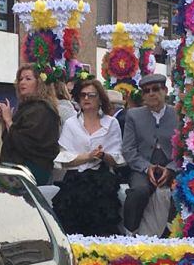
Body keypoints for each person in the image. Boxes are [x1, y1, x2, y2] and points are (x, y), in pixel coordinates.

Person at [52, 80, 124, 235]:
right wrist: (89, 156)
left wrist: (102, 155)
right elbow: (64, 160)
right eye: (83, 95)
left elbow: (117, 159)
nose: (86, 98)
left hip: (102, 180)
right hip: (75, 179)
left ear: (100, 99)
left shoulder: (112, 123)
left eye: (91, 95)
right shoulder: (71, 124)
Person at [121, 73, 178, 233]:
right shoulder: (133, 115)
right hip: (142, 168)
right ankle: (130, 233)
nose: (151, 93)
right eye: (146, 91)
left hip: (172, 166)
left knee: (183, 189)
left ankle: (172, 231)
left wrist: (171, 169)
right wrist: (147, 168)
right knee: (138, 192)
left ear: (165, 91)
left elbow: (185, 149)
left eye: (156, 89)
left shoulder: (178, 114)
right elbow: (128, 149)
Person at [0, 65, 61, 185]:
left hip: (31, 171)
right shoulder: (27, 107)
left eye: (28, 79)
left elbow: (26, 143)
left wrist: (9, 120)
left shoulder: (41, 109)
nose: (22, 82)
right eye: (20, 79)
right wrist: (5, 120)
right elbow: (10, 139)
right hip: (18, 170)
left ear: (39, 83)